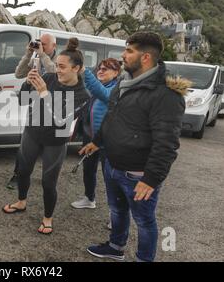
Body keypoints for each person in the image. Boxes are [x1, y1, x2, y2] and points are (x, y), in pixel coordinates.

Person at [80, 32, 191, 262]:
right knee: (117, 210)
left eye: (129, 51)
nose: (123, 55)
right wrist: (96, 142)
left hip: (137, 174)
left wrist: (151, 179)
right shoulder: (123, 83)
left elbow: (167, 143)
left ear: (146, 57)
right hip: (112, 164)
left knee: (144, 221)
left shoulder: (166, 94)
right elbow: (111, 117)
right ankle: (116, 247)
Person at [3, 38, 90, 234]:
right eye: (56, 65)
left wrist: (43, 92)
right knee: (23, 171)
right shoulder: (50, 78)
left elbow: (60, 119)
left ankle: (47, 218)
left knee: (48, 182)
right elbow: (23, 101)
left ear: (76, 68)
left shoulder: (83, 95)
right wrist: (27, 83)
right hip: (33, 131)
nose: (57, 70)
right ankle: (21, 201)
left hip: (55, 139)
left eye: (62, 66)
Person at [6, 33, 57, 189]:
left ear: (54, 46)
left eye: (45, 44)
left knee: (51, 147)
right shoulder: (35, 57)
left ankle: (49, 180)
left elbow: (53, 71)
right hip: (34, 106)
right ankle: (18, 175)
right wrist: (29, 53)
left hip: (52, 107)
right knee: (25, 145)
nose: (40, 46)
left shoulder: (59, 60)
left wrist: (42, 55)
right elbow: (18, 73)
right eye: (39, 43)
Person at [71, 59, 121, 210]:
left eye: (106, 69)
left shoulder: (115, 89)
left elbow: (102, 93)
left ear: (116, 73)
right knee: (88, 169)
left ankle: (116, 213)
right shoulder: (98, 86)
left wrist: (85, 70)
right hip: (91, 137)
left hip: (107, 141)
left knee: (110, 178)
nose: (101, 71)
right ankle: (89, 198)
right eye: (100, 68)